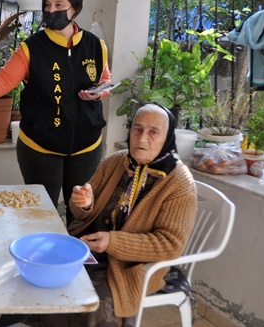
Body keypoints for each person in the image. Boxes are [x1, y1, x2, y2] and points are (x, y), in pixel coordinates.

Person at [0, 0, 111, 222]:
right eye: (47, 5)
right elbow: (5, 78)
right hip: (41, 146)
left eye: (59, 5)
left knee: (80, 214)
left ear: (75, 8)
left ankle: (72, 258)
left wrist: (98, 93)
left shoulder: (95, 46)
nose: (51, 11)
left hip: (86, 146)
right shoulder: (32, 48)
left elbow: (104, 79)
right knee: (40, 213)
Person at [64, 103, 197, 326]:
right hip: (86, 248)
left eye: (153, 132)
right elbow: (80, 210)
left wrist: (112, 242)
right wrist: (84, 202)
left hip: (130, 267)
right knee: (43, 276)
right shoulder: (116, 161)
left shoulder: (179, 183)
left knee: (90, 303)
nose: (142, 138)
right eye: (137, 128)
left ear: (167, 138)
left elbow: (170, 244)